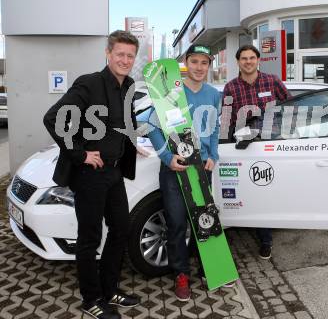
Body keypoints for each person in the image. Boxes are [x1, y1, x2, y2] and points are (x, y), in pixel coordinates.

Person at [43, 30, 141, 319]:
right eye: (120, 54)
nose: (125, 60)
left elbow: (123, 123)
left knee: (121, 228)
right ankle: (91, 299)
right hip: (89, 174)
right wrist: (81, 153)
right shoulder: (90, 83)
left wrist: (134, 142)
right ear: (108, 54)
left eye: (130, 55)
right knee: (89, 238)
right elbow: (53, 118)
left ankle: (110, 290)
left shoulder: (129, 87)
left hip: (114, 172)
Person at [147, 44, 221, 301]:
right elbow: (151, 127)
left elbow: (214, 128)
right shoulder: (172, 93)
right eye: (194, 62)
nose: (199, 67)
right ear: (185, 63)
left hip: (202, 168)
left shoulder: (213, 94)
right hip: (175, 169)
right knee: (177, 223)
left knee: (202, 220)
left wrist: (213, 155)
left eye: (204, 62)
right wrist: (167, 158)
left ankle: (209, 267)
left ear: (209, 65)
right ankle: (181, 274)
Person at [222, 44, 289, 260]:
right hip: (244, 149)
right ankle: (244, 227)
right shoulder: (231, 87)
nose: (248, 61)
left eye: (252, 58)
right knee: (249, 192)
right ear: (238, 61)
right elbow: (226, 120)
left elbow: (290, 108)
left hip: (271, 146)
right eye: (244, 58)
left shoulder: (272, 81)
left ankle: (266, 239)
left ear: (258, 60)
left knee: (267, 192)